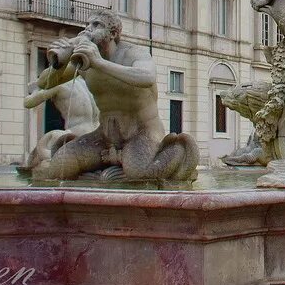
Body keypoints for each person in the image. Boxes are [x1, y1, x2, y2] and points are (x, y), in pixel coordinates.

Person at [30, 10, 198, 181]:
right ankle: (107, 171)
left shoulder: (132, 54)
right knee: (60, 167)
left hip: (142, 132)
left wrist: (99, 62)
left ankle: (176, 150)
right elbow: (45, 83)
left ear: (113, 33)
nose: (88, 29)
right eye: (87, 25)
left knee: (140, 175)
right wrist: (59, 64)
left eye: (96, 25)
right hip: (104, 136)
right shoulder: (84, 60)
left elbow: (147, 77)